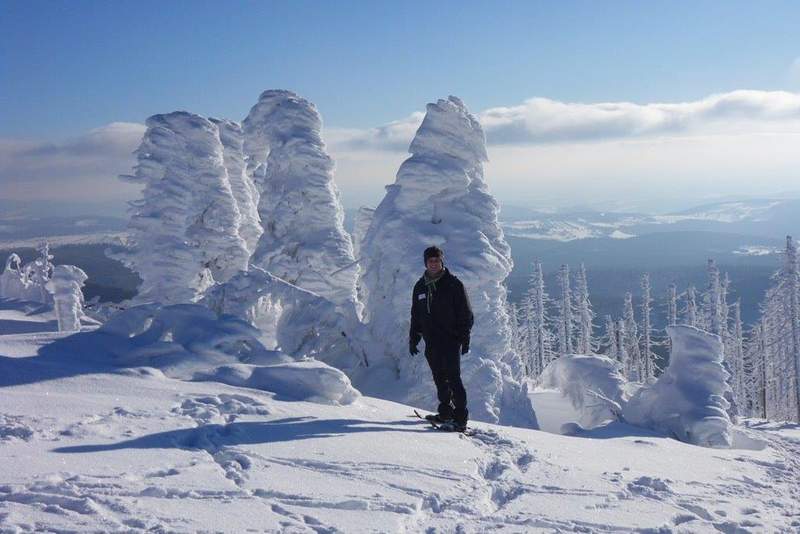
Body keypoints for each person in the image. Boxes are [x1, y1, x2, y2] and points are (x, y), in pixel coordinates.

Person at [409, 246, 474, 430]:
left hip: (451, 339)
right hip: (431, 341)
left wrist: (464, 337)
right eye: (430, 261)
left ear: (442, 262)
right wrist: (414, 338)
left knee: (453, 378)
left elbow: (466, 313)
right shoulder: (420, 286)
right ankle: (445, 413)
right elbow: (416, 315)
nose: (434, 264)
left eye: (437, 260)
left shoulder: (453, 284)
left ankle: (460, 418)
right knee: (439, 377)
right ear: (425, 263)